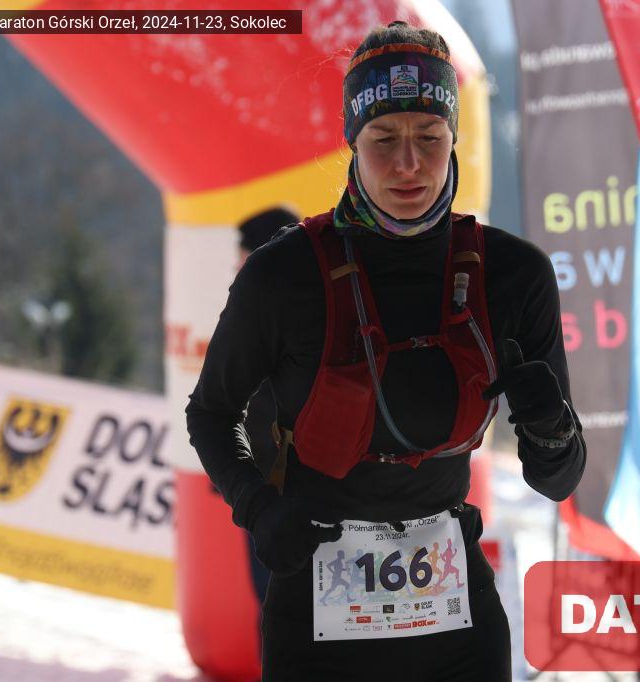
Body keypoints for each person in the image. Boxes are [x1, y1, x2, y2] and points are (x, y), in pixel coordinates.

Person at [186, 21, 585, 681]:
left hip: (456, 628)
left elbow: (558, 480)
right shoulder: (284, 275)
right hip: (318, 627)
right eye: (384, 139)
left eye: (429, 137)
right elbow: (210, 414)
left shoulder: (513, 275)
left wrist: (551, 427)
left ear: (453, 138)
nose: (408, 164)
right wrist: (258, 507)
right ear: (352, 141)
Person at [235, 207, 300, 606]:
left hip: (278, 486)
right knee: (275, 599)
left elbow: (256, 402)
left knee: (279, 599)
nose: (236, 264)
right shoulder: (268, 307)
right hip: (267, 480)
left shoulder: (273, 314)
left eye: (243, 255)